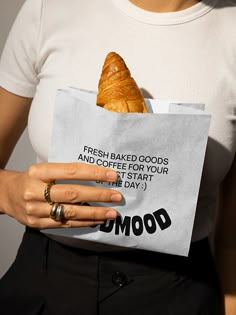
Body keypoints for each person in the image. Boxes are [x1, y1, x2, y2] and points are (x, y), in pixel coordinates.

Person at [0, 0, 235, 314]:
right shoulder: (51, 8)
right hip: (47, 283)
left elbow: (232, 238)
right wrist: (7, 193)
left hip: (181, 291)